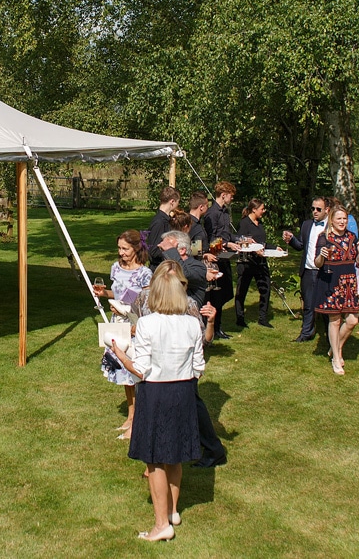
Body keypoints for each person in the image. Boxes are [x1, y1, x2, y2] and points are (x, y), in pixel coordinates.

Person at [110, 261, 206, 542]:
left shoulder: (147, 324)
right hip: (184, 392)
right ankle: (173, 511)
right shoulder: (191, 323)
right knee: (175, 455)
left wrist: (119, 353)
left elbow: (140, 369)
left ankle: (161, 523)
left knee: (154, 462)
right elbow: (198, 367)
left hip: (156, 394)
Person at [130, 255, 226, 469]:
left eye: (175, 283)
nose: (170, 287)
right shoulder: (144, 298)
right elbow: (133, 319)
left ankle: (207, 448)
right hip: (152, 366)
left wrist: (210, 323)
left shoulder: (188, 304)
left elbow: (204, 341)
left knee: (191, 405)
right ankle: (161, 457)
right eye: (165, 281)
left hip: (179, 368)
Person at [93, 230, 152, 440]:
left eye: (125, 249)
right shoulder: (115, 269)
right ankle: (131, 415)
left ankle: (137, 420)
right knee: (123, 374)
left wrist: (126, 310)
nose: (121, 252)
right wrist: (104, 294)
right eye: (119, 248)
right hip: (117, 325)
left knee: (135, 372)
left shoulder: (145, 274)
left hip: (135, 326)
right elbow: (115, 294)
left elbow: (147, 305)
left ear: (136, 248)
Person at [313, 206, 359, 375]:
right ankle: (336, 358)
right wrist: (322, 256)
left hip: (349, 281)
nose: (342, 222)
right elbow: (317, 263)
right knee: (335, 320)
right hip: (331, 281)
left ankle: (336, 348)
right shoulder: (324, 238)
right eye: (339, 219)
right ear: (332, 220)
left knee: (353, 320)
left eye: (344, 219)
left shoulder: (352, 237)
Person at [283, 196, 329, 343]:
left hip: (325, 271)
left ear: (327, 210)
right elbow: (301, 246)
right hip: (309, 270)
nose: (315, 212)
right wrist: (291, 240)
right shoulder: (307, 225)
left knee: (327, 306)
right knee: (308, 305)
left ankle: (330, 336)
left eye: (318, 209)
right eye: (313, 209)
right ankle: (306, 332)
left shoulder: (332, 227)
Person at [203, 181, 240, 338]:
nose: (232, 199)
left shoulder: (225, 212)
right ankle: (214, 327)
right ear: (223, 195)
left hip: (225, 255)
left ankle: (218, 325)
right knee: (217, 293)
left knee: (226, 291)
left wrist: (237, 240)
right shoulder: (212, 213)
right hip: (215, 256)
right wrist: (225, 243)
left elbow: (226, 233)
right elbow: (210, 238)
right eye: (231, 196)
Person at [234, 198, 274, 328]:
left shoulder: (259, 223)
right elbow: (240, 242)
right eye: (262, 209)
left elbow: (261, 242)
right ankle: (240, 318)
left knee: (265, 288)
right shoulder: (244, 224)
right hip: (247, 262)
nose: (264, 211)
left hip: (261, 262)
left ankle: (263, 318)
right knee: (242, 290)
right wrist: (255, 250)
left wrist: (274, 247)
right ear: (254, 209)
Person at [146, 186, 181, 268]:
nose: (178, 205)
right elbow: (153, 251)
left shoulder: (166, 220)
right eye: (177, 202)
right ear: (172, 201)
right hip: (159, 269)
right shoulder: (159, 222)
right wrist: (174, 251)